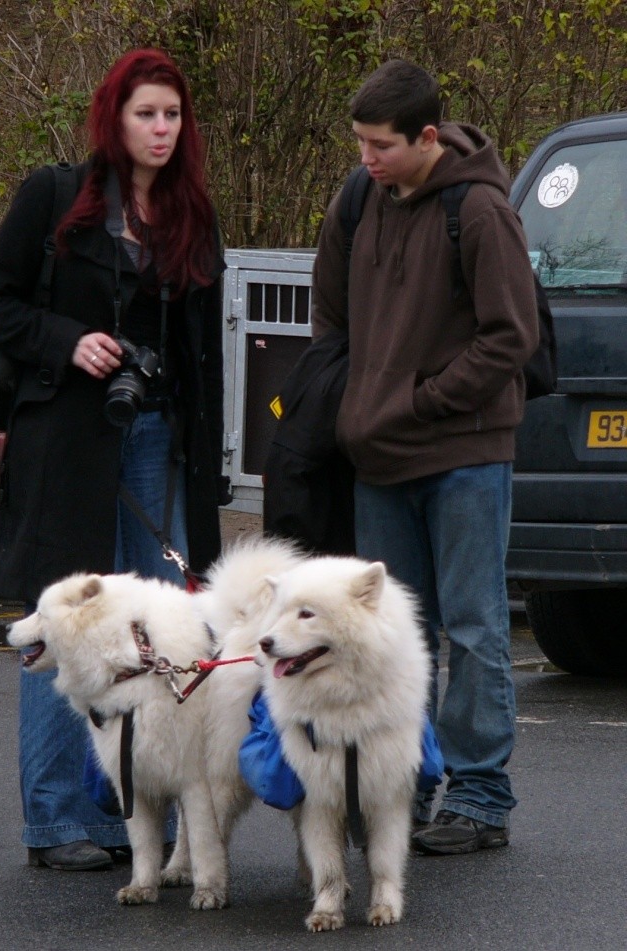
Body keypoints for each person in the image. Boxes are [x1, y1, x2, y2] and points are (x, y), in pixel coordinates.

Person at [0, 48, 229, 870]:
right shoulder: (54, 196)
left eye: (173, 115)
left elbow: (201, 356)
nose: (161, 128)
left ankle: (135, 816)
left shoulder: (192, 213)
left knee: (153, 636)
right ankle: (55, 819)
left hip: (157, 439)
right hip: (65, 444)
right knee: (66, 630)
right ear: (114, 118)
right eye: (146, 113)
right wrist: (67, 339)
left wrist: (209, 467)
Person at [310, 59, 539, 855]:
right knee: (398, 636)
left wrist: (421, 400)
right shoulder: (356, 201)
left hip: (466, 452)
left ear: (428, 137)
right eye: (361, 143)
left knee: (474, 628)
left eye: (381, 145)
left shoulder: (479, 210)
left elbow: (512, 336)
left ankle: (480, 793)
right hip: (378, 456)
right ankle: (404, 784)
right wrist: (358, 407)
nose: (368, 158)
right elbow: (331, 322)